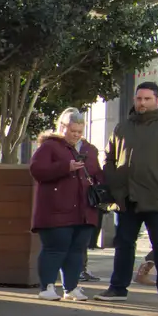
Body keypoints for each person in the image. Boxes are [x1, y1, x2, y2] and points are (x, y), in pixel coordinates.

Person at [97, 81, 158, 306]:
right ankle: (117, 288)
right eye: (139, 99)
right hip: (128, 197)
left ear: (157, 100)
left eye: (147, 99)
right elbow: (109, 157)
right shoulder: (123, 127)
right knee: (124, 244)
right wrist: (115, 183)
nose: (142, 103)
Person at [30, 108, 103, 302]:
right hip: (55, 209)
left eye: (80, 131)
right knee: (55, 247)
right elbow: (37, 170)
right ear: (62, 127)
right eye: (73, 131)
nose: (77, 135)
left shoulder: (89, 149)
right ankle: (46, 287)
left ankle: (71, 288)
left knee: (77, 249)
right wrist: (65, 167)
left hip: (84, 209)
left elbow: (97, 174)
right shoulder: (49, 147)